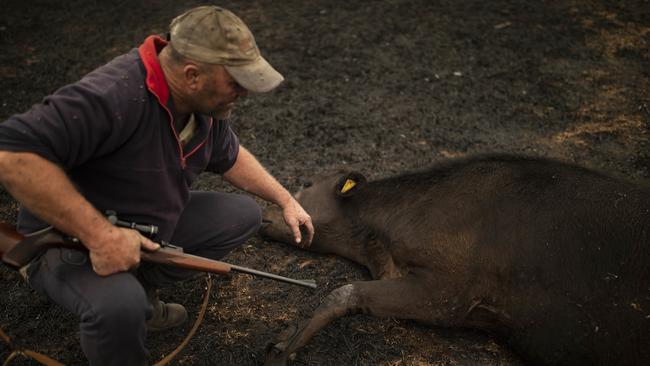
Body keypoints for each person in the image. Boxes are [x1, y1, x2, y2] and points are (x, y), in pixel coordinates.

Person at [0, 5, 314, 366]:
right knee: (119, 306)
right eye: (235, 82)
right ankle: (126, 310)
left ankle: (142, 288)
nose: (244, 92)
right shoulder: (112, 96)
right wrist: (101, 236)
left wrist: (285, 199)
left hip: (141, 227)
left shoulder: (202, 105)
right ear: (192, 75)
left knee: (241, 215)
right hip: (67, 240)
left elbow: (229, 154)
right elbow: (12, 155)